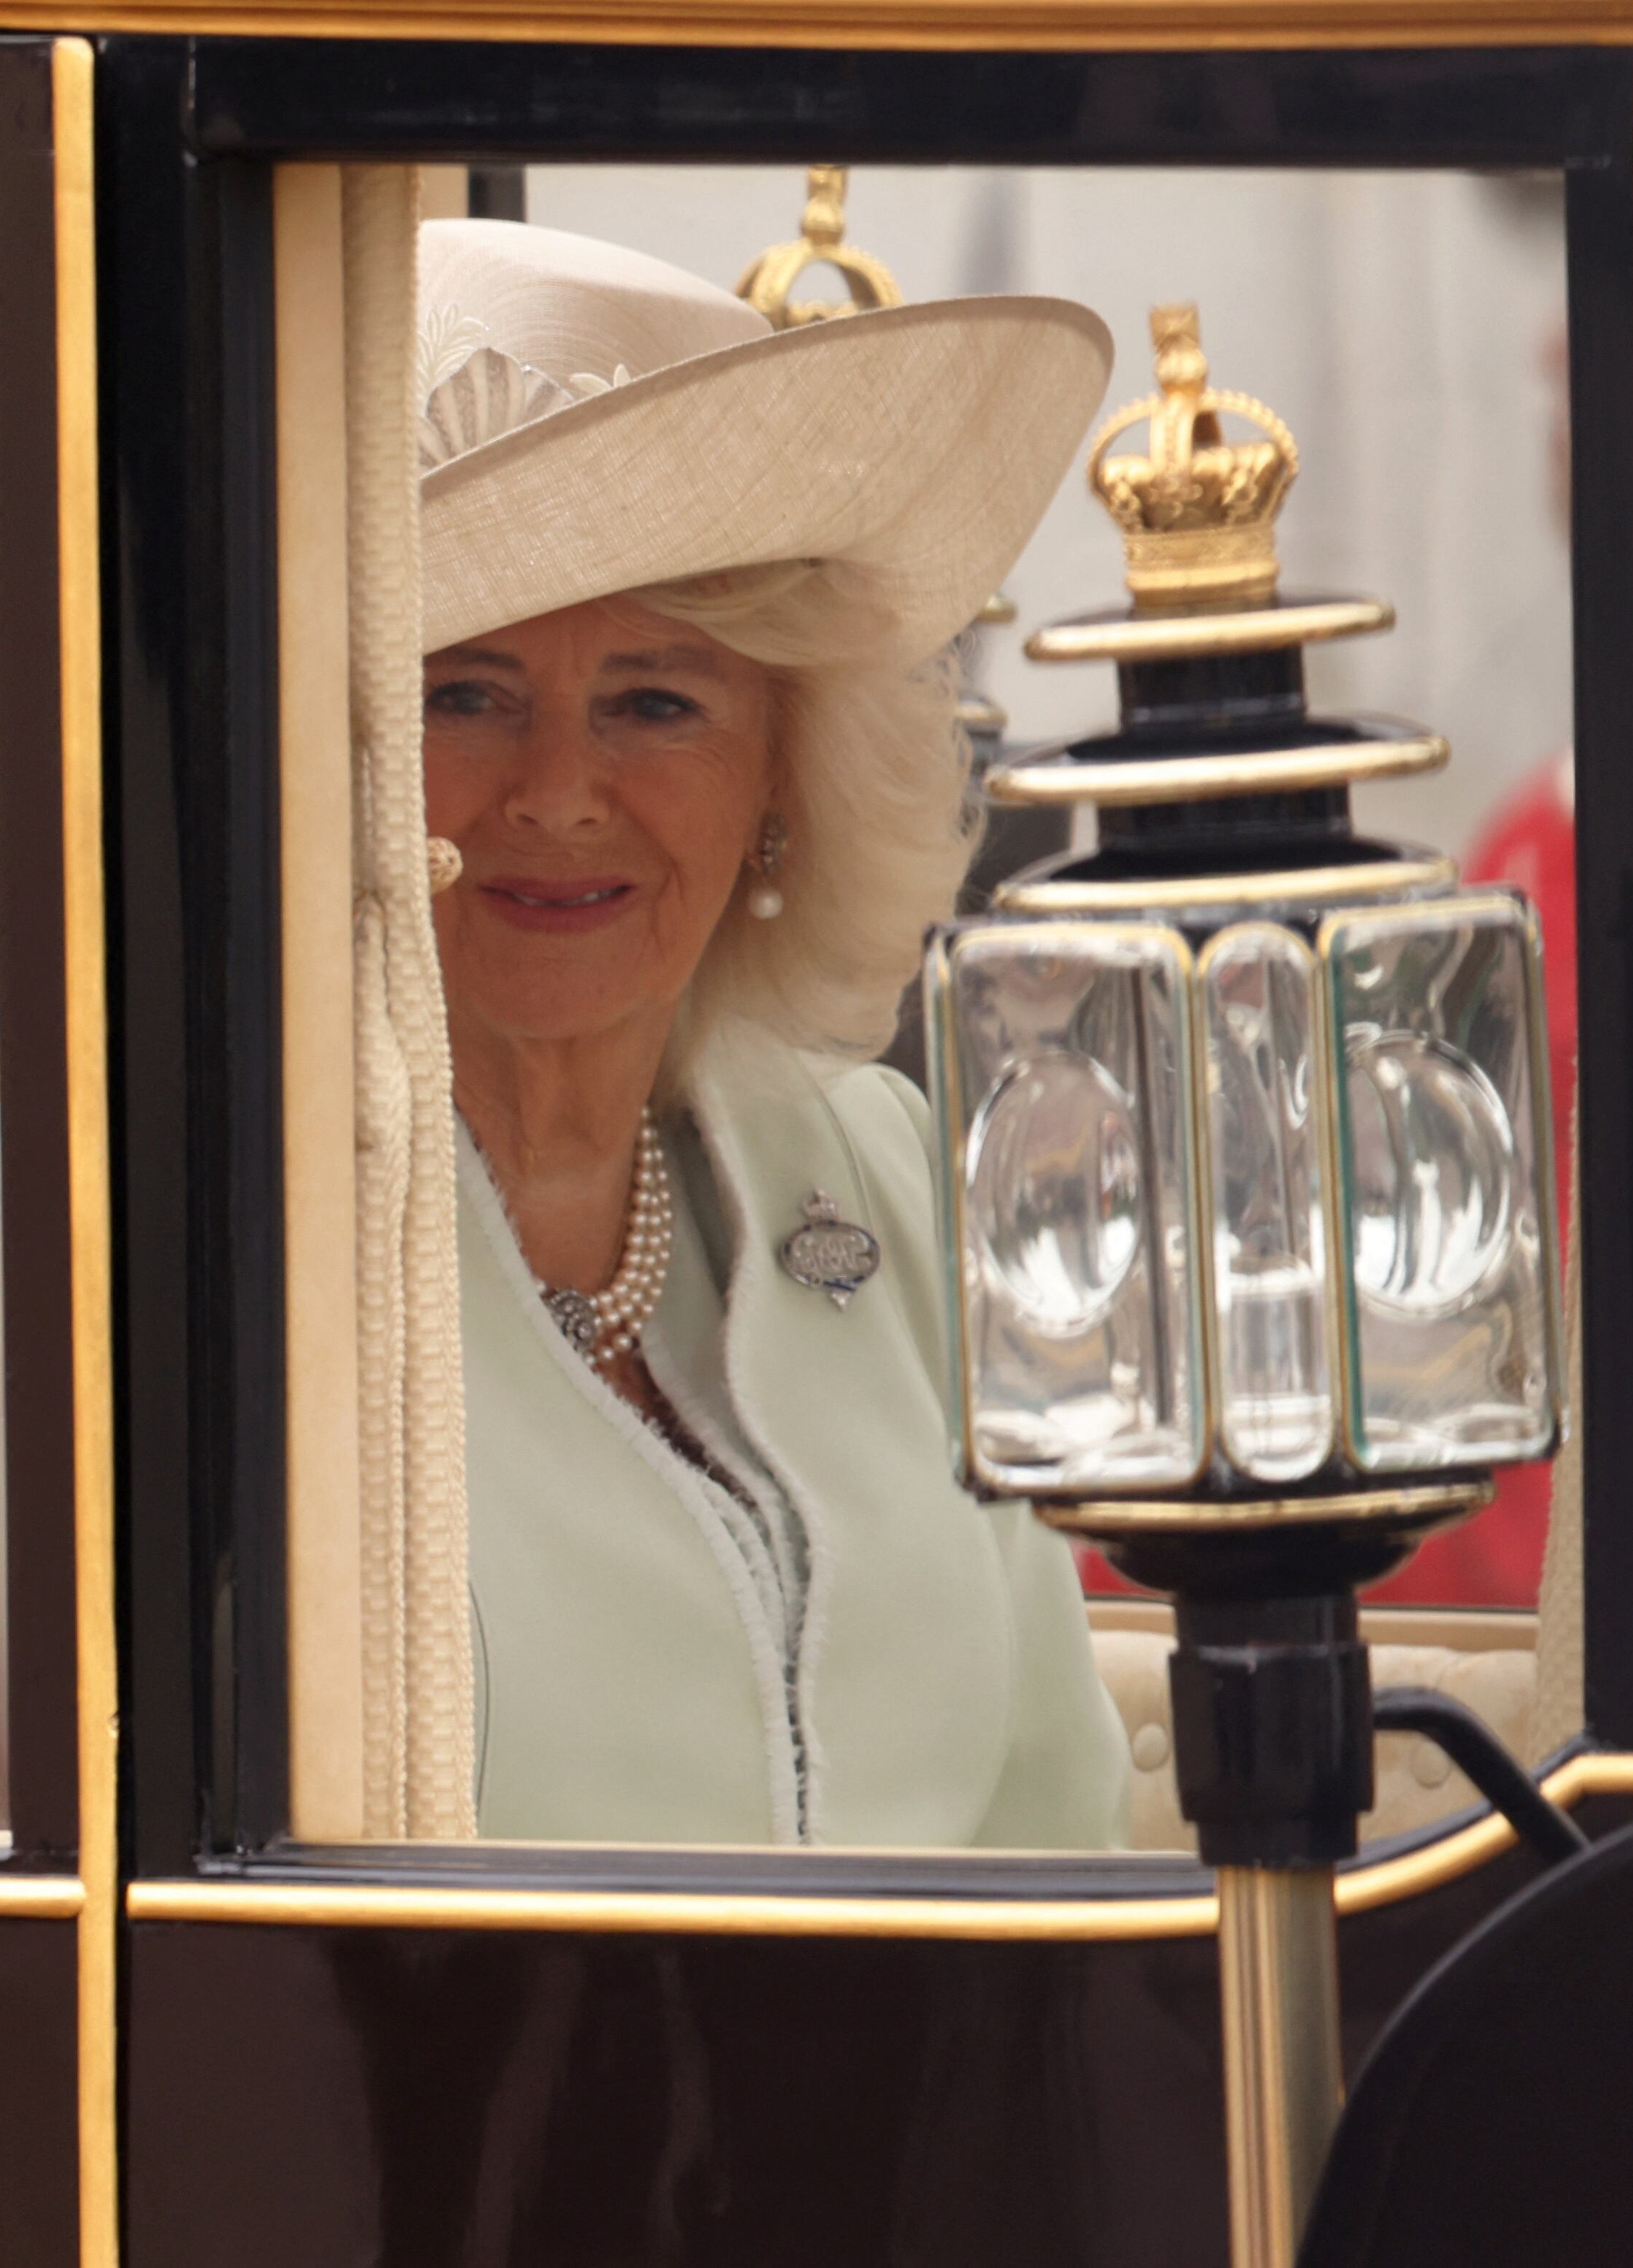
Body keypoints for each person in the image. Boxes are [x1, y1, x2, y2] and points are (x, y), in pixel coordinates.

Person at [414, 221, 1129, 1847]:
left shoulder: (877, 1164)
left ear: (782, 782)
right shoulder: (157, 1220)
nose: (557, 792)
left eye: (656, 701)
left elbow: (1056, 1823)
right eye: (467, 691)